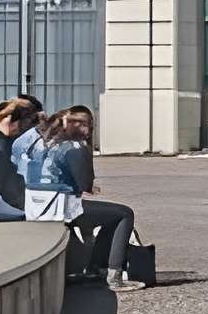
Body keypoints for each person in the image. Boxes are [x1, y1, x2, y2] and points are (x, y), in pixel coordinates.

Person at [30, 105, 141, 286]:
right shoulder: (74, 147)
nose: (87, 129)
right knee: (124, 213)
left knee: (110, 216)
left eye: (87, 124)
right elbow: (85, 185)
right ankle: (114, 276)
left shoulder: (47, 144)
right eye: (83, 124)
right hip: (59, 208)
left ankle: (96, 268)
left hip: (37, 206)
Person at [0, 95, 41, 221]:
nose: (21, 131)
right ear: (10, 120)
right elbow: (8, 183)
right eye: (22, 126)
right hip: (4, 207)